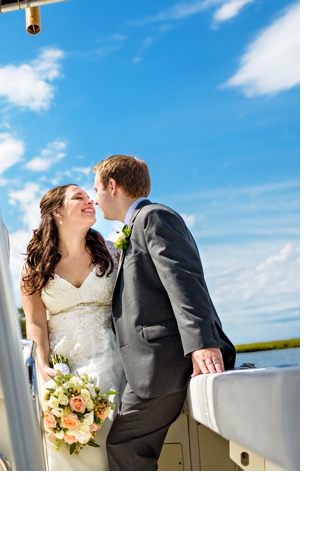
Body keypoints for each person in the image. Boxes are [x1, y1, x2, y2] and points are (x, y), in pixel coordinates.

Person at [92, 155, 236, 471]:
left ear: (112, 187)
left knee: (124, 446)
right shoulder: (136, 224)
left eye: (97, 189)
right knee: (123, 445)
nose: (95, 198)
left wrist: (202, 344)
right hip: (149, 368)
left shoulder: (153, 217)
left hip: (165, 365)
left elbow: (183, 280)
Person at [20, 184, 125, 471]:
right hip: (61, 360)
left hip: (111, 353)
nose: (90, 200)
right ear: (57, 212)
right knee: (65, 447)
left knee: (109, 437)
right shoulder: (35, 266)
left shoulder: (113, 253)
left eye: (89, 196)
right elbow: (36, 322)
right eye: (79, 197)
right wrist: (42, 365)